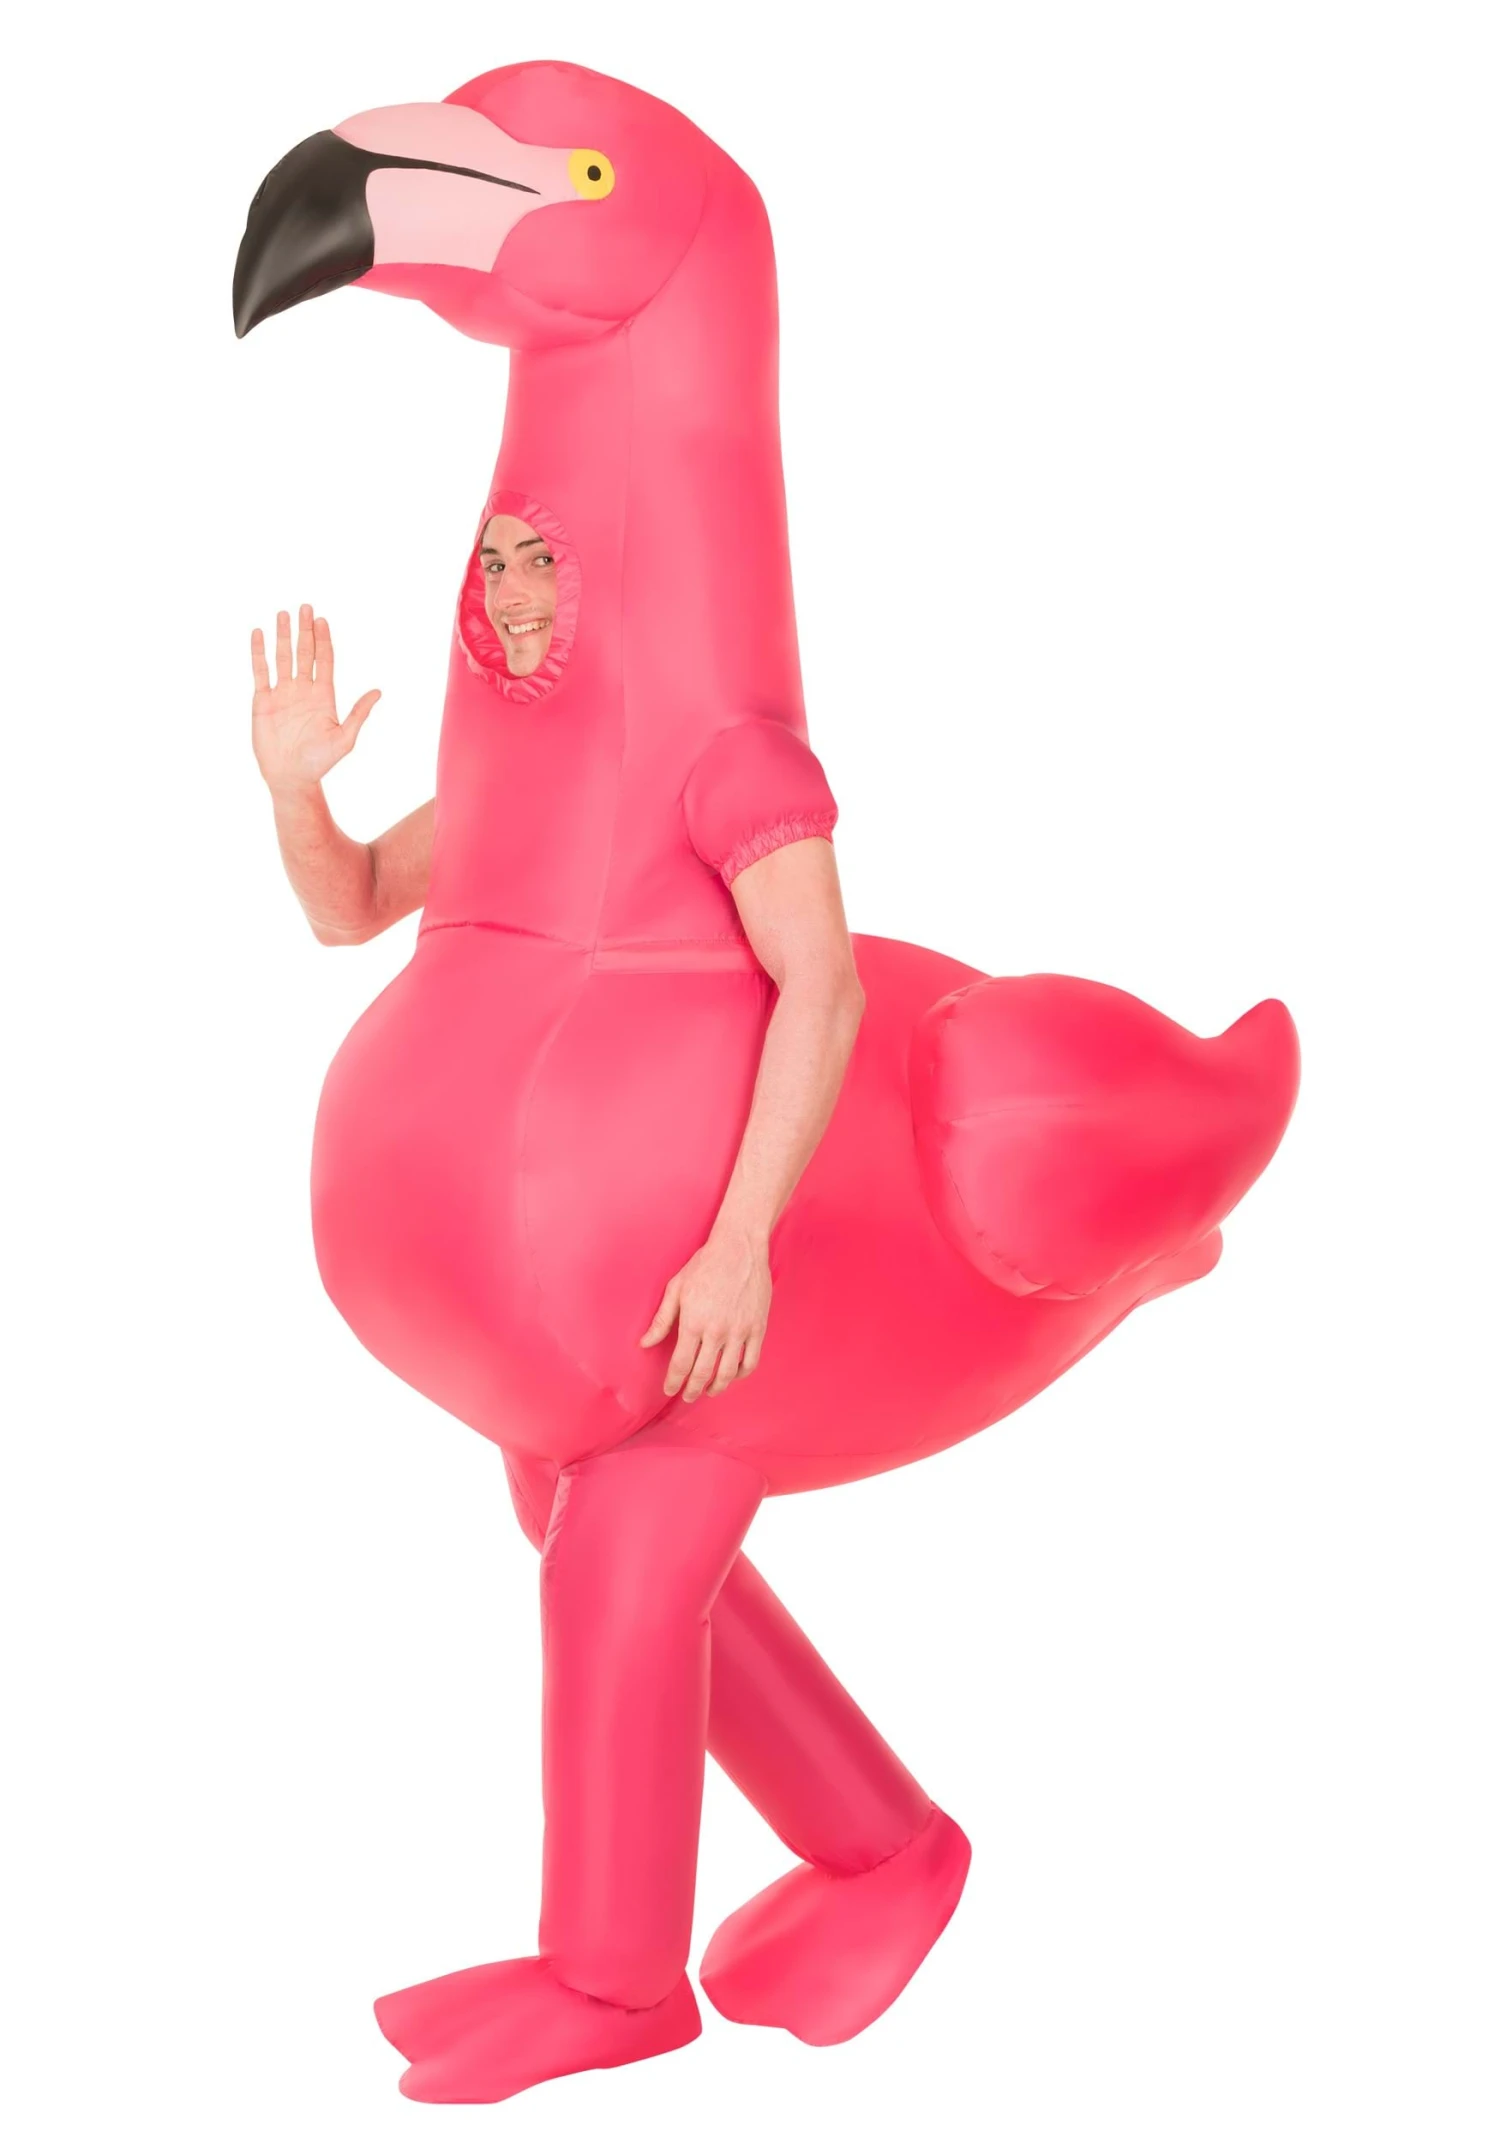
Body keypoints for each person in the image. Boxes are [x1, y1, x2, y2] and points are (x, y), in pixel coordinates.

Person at [250, 603, 865, 1404]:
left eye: (543, 558)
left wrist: (741, 1243)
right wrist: (294, 793)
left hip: (683, 1291)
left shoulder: (735, 762)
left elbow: (825, 986)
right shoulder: (520, 781)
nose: (511, 591)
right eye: (497, 562)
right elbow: (352, 907)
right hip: (488, 1330)